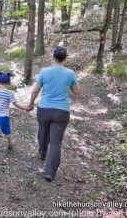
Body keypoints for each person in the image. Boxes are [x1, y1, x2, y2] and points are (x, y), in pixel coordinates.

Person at [28, 46, 81, 182]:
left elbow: (35, 91)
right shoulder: (70, 73)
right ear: (65, 58)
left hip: (44, 109)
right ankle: (50, 173)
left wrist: (31, 103)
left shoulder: (44, 71)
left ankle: (42, 152)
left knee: (43, 131)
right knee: (56, 142)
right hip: (61, 112)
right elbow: (76, 91)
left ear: (53, 57)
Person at [0, 72, 31, 155]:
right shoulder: (9, 93)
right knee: (7, 131)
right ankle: (10, 144)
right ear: (9, 83)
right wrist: (25, 108)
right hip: (4, 117)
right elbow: (15, 104)